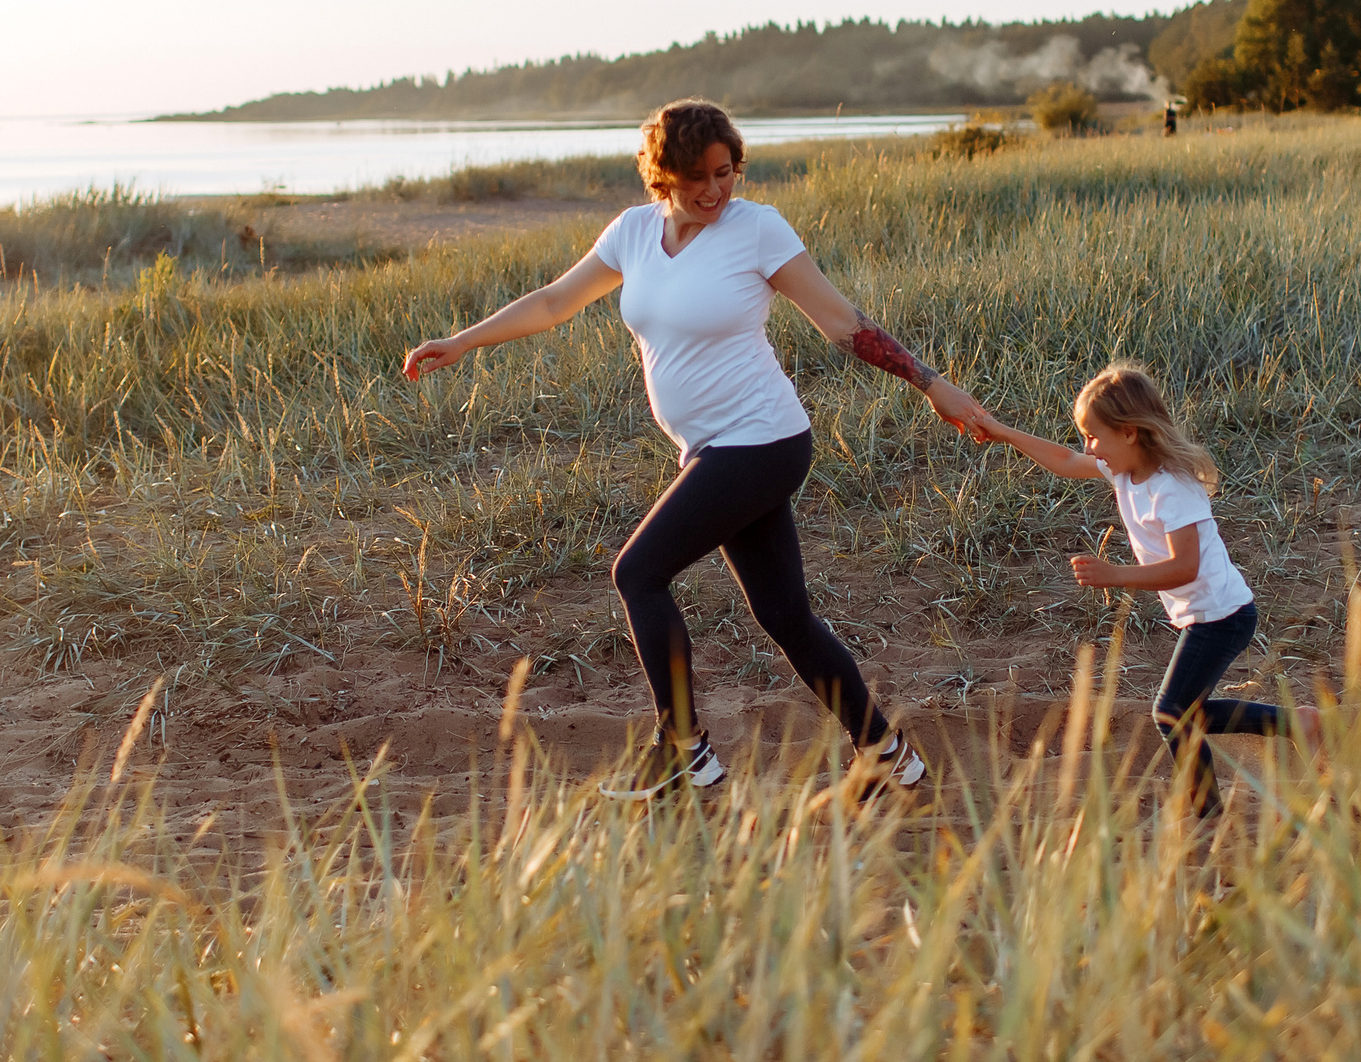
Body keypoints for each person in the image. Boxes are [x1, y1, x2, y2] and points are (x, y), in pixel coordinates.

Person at [402, 98, 987, 801]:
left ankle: (684, 749)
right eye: (696, 176)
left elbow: (841, 321)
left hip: (764, 440)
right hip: (712, 447)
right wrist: (463, 340)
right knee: (787, 618)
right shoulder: (632, 234)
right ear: (662, 174)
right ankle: (890, 756)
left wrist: (932, 384)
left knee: (638, 572)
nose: (715, 190)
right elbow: (555, 300)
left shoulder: (757, 229)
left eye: (726, 171)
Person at [964, 361, 1299, 816]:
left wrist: (1114, 574)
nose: (1088, 447)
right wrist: (1003, 432)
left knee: (1171, 712)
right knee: (1186, 713)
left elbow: (1185, 567)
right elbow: (1064, 461)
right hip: (1203, 613)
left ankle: (1206, 810)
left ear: (1130, 433)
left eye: (1094, 435)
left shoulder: (1172, 488)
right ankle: (1299, 726)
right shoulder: (1123, 471)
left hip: (1221, 615)